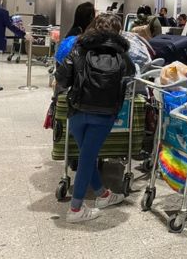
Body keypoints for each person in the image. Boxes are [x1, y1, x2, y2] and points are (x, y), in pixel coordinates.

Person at [55, 14, 135, 223]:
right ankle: (75, 210)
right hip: (104, 114)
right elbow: (131, 77)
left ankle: (103, 194)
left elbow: (63, 77)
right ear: (117, 31)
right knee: (87, 157)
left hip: (78, 111)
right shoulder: (123, 56)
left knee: (86, 156)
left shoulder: (79, 49)